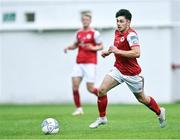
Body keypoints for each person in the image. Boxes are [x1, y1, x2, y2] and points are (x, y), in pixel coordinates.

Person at [89, 9, 166, 128]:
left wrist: (116, 51)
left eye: (121, 21)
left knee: (142, 99)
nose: (118, 23)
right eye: (117, 21)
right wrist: (108, 52)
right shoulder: (117, 32)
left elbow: (136, 53)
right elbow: (117, 47)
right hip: (118, 70)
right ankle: (102, 118)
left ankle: (160, 112)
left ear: (128, 22)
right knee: (101, 90)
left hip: (132, 74)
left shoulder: (132, 35)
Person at [64, 11, 103, 116]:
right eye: (83, 19)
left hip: (90, 63)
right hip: (79, 63)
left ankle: (102, 96)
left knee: (90, 89)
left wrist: (93, 47)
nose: (85, 21)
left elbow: (101, 46)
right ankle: (79, 108)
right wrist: (68, 47)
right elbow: (75, 45)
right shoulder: (79, 33)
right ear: (82, 21)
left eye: (87, 19)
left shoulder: (95, 33)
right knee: (75, 85)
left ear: (90, 21)